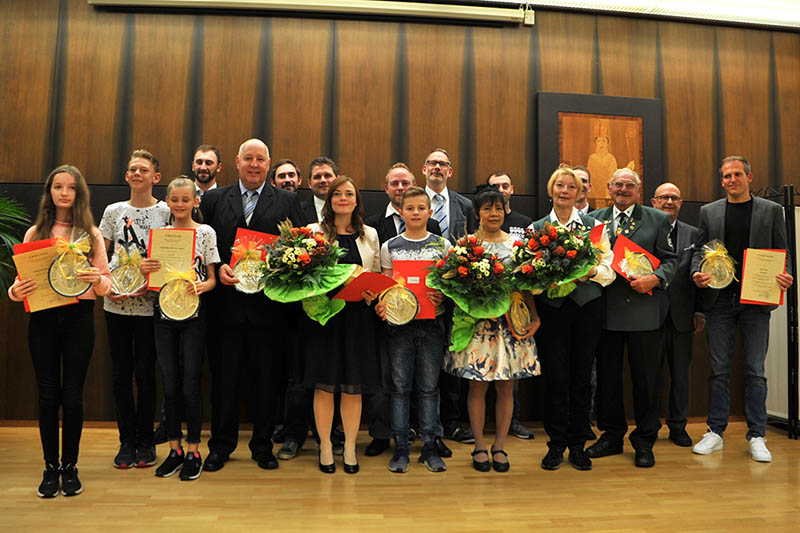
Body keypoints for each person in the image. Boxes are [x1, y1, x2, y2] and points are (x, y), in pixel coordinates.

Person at [199, 138, 305, 472]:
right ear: (237, 161)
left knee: (268, 381)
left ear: (269, 163)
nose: (254, 164)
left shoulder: (287, 201)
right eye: (248, 158)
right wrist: (219, 268)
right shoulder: (215, 199)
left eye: (261, 159)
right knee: (224, 380)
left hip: (270, 309)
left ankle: (262, 446)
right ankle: (221, 446)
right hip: (225, 308)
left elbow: (300, 248)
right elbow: (204, 247)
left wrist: (279, 268)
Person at [9, 165, 112, 497]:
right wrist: (15, 291)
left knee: (72, 396)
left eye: (71, 187)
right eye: (58, 187)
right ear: (49, 192)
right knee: (47, 395)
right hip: (43, 319)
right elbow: (20, 282)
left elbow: (107, 285)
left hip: (79, 319)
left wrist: (98, 281)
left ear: (79, 193)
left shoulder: (91, 234)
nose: (64, 192)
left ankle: (70, 467)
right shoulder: (35, 233)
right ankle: (49, 467)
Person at [691, 156, 793, 462]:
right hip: (718, 301)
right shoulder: (708, 211)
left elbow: (782, 251)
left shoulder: (772, 210)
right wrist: (697, 272)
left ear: (750, 177)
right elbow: (699, 249)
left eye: (737, 174)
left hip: (756, 301)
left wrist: (786, 274)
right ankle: (715, 432)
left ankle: (757, 435)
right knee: (718, 370)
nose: (732, 179)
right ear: (721, 181)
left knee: (754, 371)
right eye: (726, 176)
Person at [442, 184, 541, 472]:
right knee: (476, 387)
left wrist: (534, 317)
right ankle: (479, 447)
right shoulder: (466, 246)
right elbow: (454, 289)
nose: (493, 213)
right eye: (487, 208)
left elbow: (527, 288)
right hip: (478, 326)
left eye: (498, 207)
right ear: (478, 212)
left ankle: (500, 445)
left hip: (511, 325)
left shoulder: (518, 246)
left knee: (507, 387)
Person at [585, 169, 677, 468]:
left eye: (630, 185)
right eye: (618, 185)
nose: (623, 189)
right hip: (605, 313)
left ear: (638, 190)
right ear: (609, 188)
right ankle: (611, 436)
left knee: (646, 381)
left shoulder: (657, 219)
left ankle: (645, 440)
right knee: (608, 381)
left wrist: (655, 278)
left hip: (643, 312)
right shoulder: (593, 220)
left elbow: (671, 260)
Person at [532, 166, 614, 471]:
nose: (564, 191)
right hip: (552, 312)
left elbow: (609, 269)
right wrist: (546, 278)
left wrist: (590, 272)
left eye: (571, 187)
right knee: (555, 378)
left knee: (582, 377)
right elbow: (530, 275)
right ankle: (555, 445)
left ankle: (578, 444)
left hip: (587, 309)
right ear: (551, 190)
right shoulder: (538, 227)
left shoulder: (594, 227)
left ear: (579, 192)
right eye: (560, 186)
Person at [363, 163, 444, 458]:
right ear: (402, 212)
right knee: (398, 388)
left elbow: (447, 289)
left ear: (429, 212)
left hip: (432, 326)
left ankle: (430, 444)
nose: (416, 213)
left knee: (429, 388)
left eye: (421, 208)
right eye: (410, 208)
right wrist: (382, 305)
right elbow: (385, 287)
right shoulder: (389, 247)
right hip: (398, 328)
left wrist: (441, 299)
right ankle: (401, 447)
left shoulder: (443, 246)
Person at [140, 177, 219, 480]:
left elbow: (212, 278)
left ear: (195, 202)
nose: (180, 205)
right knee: (169, 383)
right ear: (168, 201)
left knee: (190, 384)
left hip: (194, 316)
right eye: (175, 200)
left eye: (186, 200)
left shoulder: (205, 233)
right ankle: (173, 449)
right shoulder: (159, 235)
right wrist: (146, 269)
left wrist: (204, 286)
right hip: (162, 315)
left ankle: (193, 450)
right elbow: (150, 279)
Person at [304, 176, 381, 474]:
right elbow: (303, 274)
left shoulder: (370, 235)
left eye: (350, 193)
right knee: (324, 386)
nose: (344, 198)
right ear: (330, 199)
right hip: (324, 317)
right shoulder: (313, 233)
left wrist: (373, 293)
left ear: (357, 200)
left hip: (358, 318)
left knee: (353, 387)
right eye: (338, 194)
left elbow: (373, 274)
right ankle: (325, 445)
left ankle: (349, 446)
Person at [99, 149, 171, 469]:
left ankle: (145, 439)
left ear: (156, 177)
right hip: (115, 303)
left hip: (150, 305)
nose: (137, 174)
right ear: (126, 176)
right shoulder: (113, 211)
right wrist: (106, 286)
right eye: (132, 170)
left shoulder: (168, 212)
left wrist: (155, 277)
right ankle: (125, 440)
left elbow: (175, 255)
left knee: (145, 373)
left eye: (143, 170)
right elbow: (101, 257)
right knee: (119, 374)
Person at [423, 148, 477, 444]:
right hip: (422, 292)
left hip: (456, 294)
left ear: (450, 171)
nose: (437, 168)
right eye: (432, 163)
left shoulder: (465, 204)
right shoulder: (415, 201)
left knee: (452, 357)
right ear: (424, 168)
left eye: (443, 164)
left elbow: (470, 242)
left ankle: (453, 421)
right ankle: (422, 422)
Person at [651, 182, 706, 447]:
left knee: (681, 376)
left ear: (681, 203)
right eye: (664, 198)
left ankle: (678, 426)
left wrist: (699, 311)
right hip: (649, 315)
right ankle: (648, 426)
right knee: (649, 375)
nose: (669, 202)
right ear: (653, 202)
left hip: (683, 317)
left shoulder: (695, 235)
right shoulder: (645, 231)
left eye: (674, 198)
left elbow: (700, 272)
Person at [487, 170, 535, 440]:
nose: (501, 190)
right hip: (481, 315)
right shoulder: (474, 230)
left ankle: (512, 421)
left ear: (512, 189)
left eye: (505, 185)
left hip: (513, 313)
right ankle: (477, 427)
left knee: (510, 376)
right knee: (478, 380)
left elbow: (528, 273)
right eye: (496, 186)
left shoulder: (524, 223)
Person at [301, 157, 337, 224]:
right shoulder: (299, 211)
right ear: (309, 183)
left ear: (337, 180)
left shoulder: (349, 208)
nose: (323, 180)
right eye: (317, 177)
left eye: (327, 175)